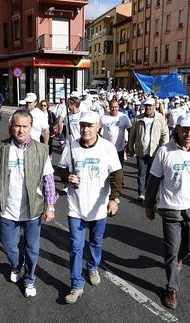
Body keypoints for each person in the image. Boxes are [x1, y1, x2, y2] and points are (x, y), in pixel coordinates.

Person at [145, 114, 190, 310]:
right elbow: (154, 180)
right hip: (170, 209)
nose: (188, 133)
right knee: (171, 250)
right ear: (177, 128)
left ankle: (179, 258)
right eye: (184, 129)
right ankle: (171, 288)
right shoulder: (165, 151)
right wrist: (149, 205)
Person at [0, 109, 57, 298]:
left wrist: (50, 206)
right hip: (8, 209)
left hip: (33, 210)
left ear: (30, 128)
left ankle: (30, 279)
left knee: (32, 250)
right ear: (11, 126)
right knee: (8, 245)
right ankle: (17, 265)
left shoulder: (40, 149)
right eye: (17, 125)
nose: (20, 130)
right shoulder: (1, 148)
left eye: (24, 126)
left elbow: (48, 179)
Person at [58, 111, 124, 304]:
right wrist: (67, 176)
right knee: (76, 246)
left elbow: (117, 175)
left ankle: (93, 266)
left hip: (99, 207)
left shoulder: (107, 148)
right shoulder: (71, 146)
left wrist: (114, 199)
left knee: (95, 242)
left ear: (98, 128)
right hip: (75, 207)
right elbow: (62, 168)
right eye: (83, 125)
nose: (86, 129)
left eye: (90, 125)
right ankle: (76, 284)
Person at [127, 97, 169, 201]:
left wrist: (164, 148)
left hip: (154, 152)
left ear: (155, 106)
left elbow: (164, 133)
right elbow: (132, 135)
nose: (148, 108)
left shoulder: (160, 118)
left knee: (151, 174)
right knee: (141, 172)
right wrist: (130, 147)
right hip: (141, 151)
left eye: (150, 106)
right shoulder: (138, 118)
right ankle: (141, 193)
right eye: (146, 106)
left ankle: (148, 192)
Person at [100, 99, 132, 165]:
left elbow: (130, 131)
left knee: (119, 168)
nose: (114, 109)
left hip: (120, 148)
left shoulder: (124, 117)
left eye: (115, 107)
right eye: (112, 107)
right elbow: (97, 131)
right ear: (109, 107)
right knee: (107, 168)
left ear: (118, 107)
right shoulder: (103, 117)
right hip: (107, 148)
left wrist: (129, 143)